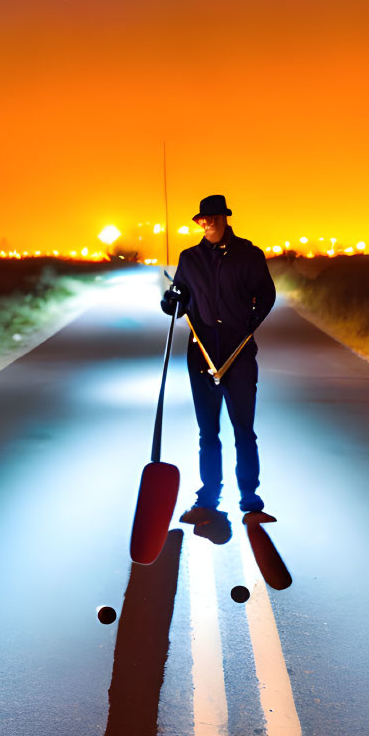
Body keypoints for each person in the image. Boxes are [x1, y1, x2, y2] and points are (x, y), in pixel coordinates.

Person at [159, 194, 276, 522]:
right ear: (198, 222)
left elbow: (266, 294)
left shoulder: (249, 255)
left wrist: (250, 324)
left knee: (244, 429)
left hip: (238, 353)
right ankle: (209, 495)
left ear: (225, 219)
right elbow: (180, 300)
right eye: (202, 219)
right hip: (201, 352)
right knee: (207, 431)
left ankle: (250, 497)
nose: (208, 223)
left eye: (214, 218)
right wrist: (170, 302)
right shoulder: (190, 258)